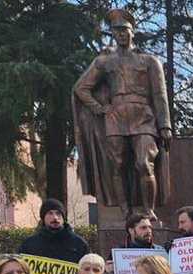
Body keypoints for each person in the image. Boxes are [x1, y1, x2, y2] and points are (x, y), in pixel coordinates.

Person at [73, 8, 171, 211]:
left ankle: (148, 211)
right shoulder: (105, 61)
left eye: (124, 30)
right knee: (117, 165)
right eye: (116, 31)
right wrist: (99, 108)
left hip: (144, 117)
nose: (121, 34)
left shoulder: (149, 61)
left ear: (132, 31)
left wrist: (165, 126)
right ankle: (124, 211)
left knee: (144, 163)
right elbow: (81, 88)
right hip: (115, 117)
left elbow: (160, 96)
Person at [18, 198, 90, 263]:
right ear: (43, 218)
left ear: (63, 217)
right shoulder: (29, 245)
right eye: (50, 213)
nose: (55, 217)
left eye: (58, 213)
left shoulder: (79, 244)